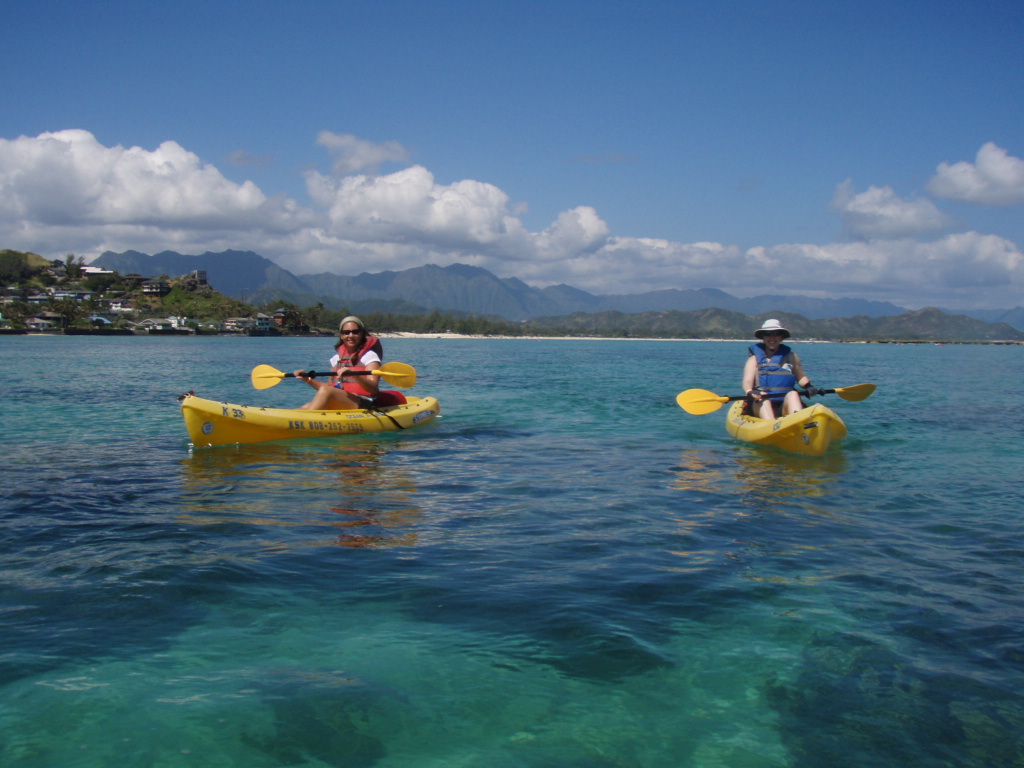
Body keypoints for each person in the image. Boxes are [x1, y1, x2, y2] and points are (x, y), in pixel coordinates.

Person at [294, 316, 386, 410]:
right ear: (341, 335)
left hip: (365, 402)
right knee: (305, 408)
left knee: (325, 392)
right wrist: (308, 379)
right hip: (344, 399)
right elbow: (329, 388)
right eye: (346, 332)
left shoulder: (370, 356)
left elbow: (373, 389)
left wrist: (355, 375)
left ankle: (308, 421)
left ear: (362, 334)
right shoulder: (336, 359)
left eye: (355, 332)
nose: (350, 335)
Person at [742, 319, 819, 419]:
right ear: (763, 337)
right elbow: (747, 381)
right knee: (763, 398)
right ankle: (770, 426)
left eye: (776, 334)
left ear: (782, 337)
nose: (772, 338)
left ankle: (797, 423)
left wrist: (809, 386)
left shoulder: (792, 357)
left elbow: (801, 377)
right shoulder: (754, 359)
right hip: (760, 403)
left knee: (793, 394)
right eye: (768, 334)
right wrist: (750, 391)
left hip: (784, 405)